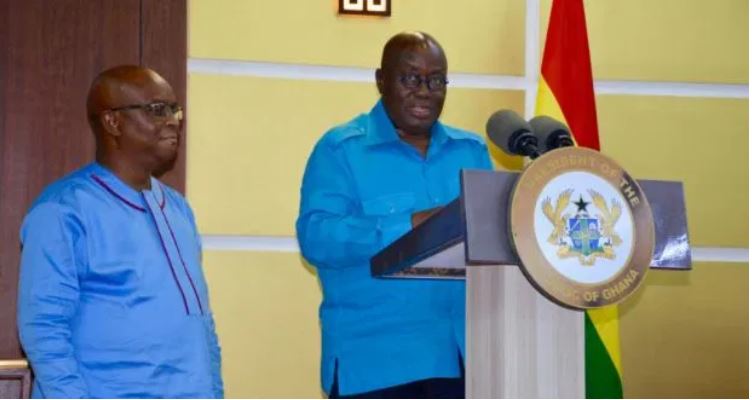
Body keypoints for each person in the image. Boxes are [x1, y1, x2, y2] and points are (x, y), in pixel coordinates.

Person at [296, 32, 493, 398]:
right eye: (410, 78)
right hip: (378, 363)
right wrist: (411, 225)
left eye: (436, 81)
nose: (425, 91)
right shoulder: (342, 150)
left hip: (465, 358)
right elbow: (317, 238)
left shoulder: (470, 151)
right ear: (381, 80)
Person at [17, 65, 223, 398]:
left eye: (175, 110)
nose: (173, 120)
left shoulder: (178, 209)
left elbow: (202, 323)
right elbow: (44, 330)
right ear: (113, 122)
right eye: (157, 109)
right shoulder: (63, 210)